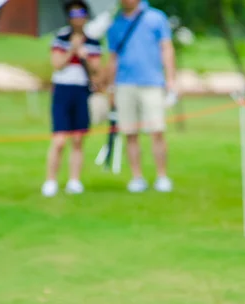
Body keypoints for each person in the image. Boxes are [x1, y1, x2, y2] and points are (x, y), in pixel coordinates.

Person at [106, 0, 177, 193]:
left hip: (152, 82)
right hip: (124, 84)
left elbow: (166, 48)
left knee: (157, 131)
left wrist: (170, 80)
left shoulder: (156, 17)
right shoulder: (115, 23)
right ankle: (137, 177)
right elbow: (113, 58)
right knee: (130, 133)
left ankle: (162, 176)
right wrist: (110, 88)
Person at [41, 0, 102, 197]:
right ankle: (51, 181)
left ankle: (74, 180)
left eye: (81, 13)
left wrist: (84, 55)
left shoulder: (92, 41)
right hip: (63, 90)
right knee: (59, 140)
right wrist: (72, 50)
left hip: (81, 90)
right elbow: (57, 64)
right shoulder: (61, 38)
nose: (78, 17)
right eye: (74, 14)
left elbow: (96, 69)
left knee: (77, 139)